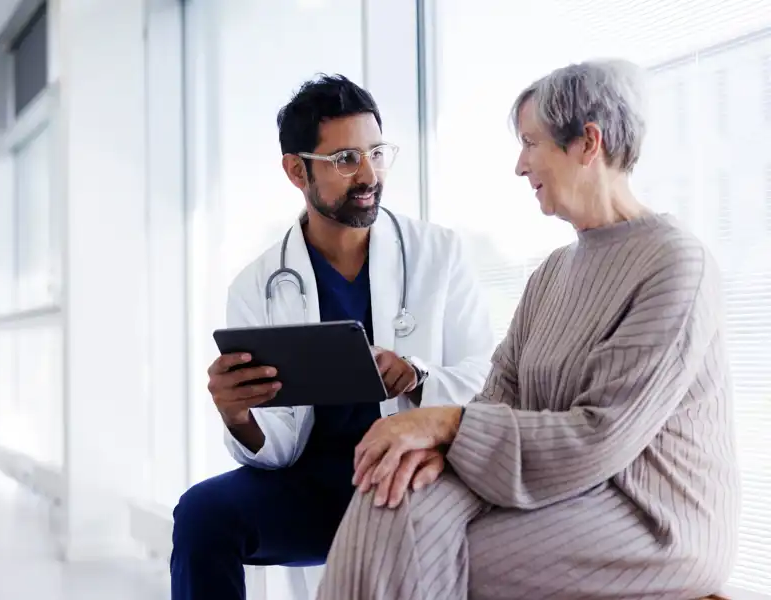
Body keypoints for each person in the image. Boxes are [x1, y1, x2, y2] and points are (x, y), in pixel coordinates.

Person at [314, 60, 741, 600]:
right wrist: (437, 444)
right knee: (388, 498)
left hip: (651, 516)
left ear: (588, 143)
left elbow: (599, 436)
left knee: (436, 555)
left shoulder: (675, 265)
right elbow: (500, 395)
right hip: (555, 488)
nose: (520, 165)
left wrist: (446, 426)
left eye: (530, 142)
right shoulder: (553, 273)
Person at [169, 74, 496, 600]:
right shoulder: (257, 286)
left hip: (413, 474)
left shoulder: (440, 255)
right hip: (313, 487)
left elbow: (488, 380)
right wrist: (237, 416)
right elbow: (274, 449)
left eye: (376, 152)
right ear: (297, 170)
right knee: (203, 515)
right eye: (345, 159)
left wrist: (418, 376)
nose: (368, 173)